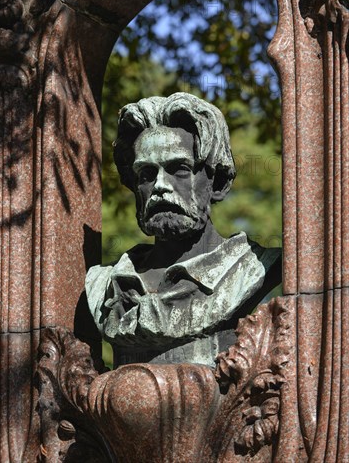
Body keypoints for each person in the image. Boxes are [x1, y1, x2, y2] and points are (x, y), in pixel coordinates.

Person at [86, 92, 281, 367]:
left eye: (178, 169)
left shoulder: (254, 268)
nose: (160, 187)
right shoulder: (105, 284)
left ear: (218, 183)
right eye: (147, 175)